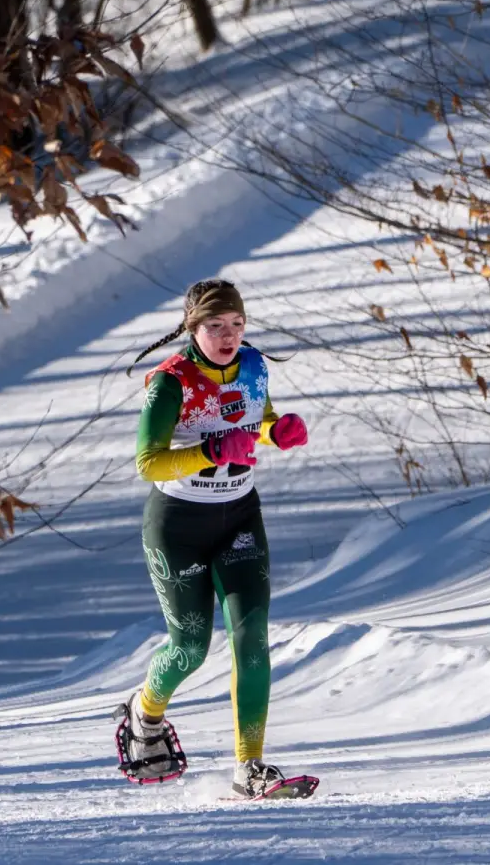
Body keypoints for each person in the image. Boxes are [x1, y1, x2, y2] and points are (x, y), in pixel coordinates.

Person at [112, 278, 312, 799]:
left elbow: (256, 421)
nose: (229, 336)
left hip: (239, 518)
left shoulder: (253, 366)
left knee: (253, 638)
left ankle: (250, 766)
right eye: (216, 326)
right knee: (191, 648)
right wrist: (212, 450)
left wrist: (277, 430)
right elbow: (147, 461)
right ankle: (144, 711)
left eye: (237, 325)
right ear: (192, 327)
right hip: (177, 524)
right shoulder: (170, 381)